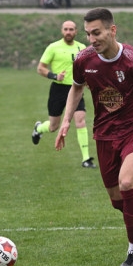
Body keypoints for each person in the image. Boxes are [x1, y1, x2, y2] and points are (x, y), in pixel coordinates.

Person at [56, 8, 133, 266]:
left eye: (97, 33)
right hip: (104, 134)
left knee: (127, 183)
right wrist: (66, 121)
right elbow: (76, 88)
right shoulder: (83, 59)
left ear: (112, 30)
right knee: (118, 201)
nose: (92, 39)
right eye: (88, 33)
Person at [31, 20, 95, 168]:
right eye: (66, 29)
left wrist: (88, 81)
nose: (68, 32)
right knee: (54, 126)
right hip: (58, 90)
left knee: (80, 120)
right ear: (62, 31)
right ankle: (39, 128)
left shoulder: (82, 48)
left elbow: (88, 68)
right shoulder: (53, 47)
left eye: (71, 29)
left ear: (76, 31)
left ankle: (86, 159)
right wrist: (54, 76)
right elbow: (40, 68)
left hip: (76, 89)